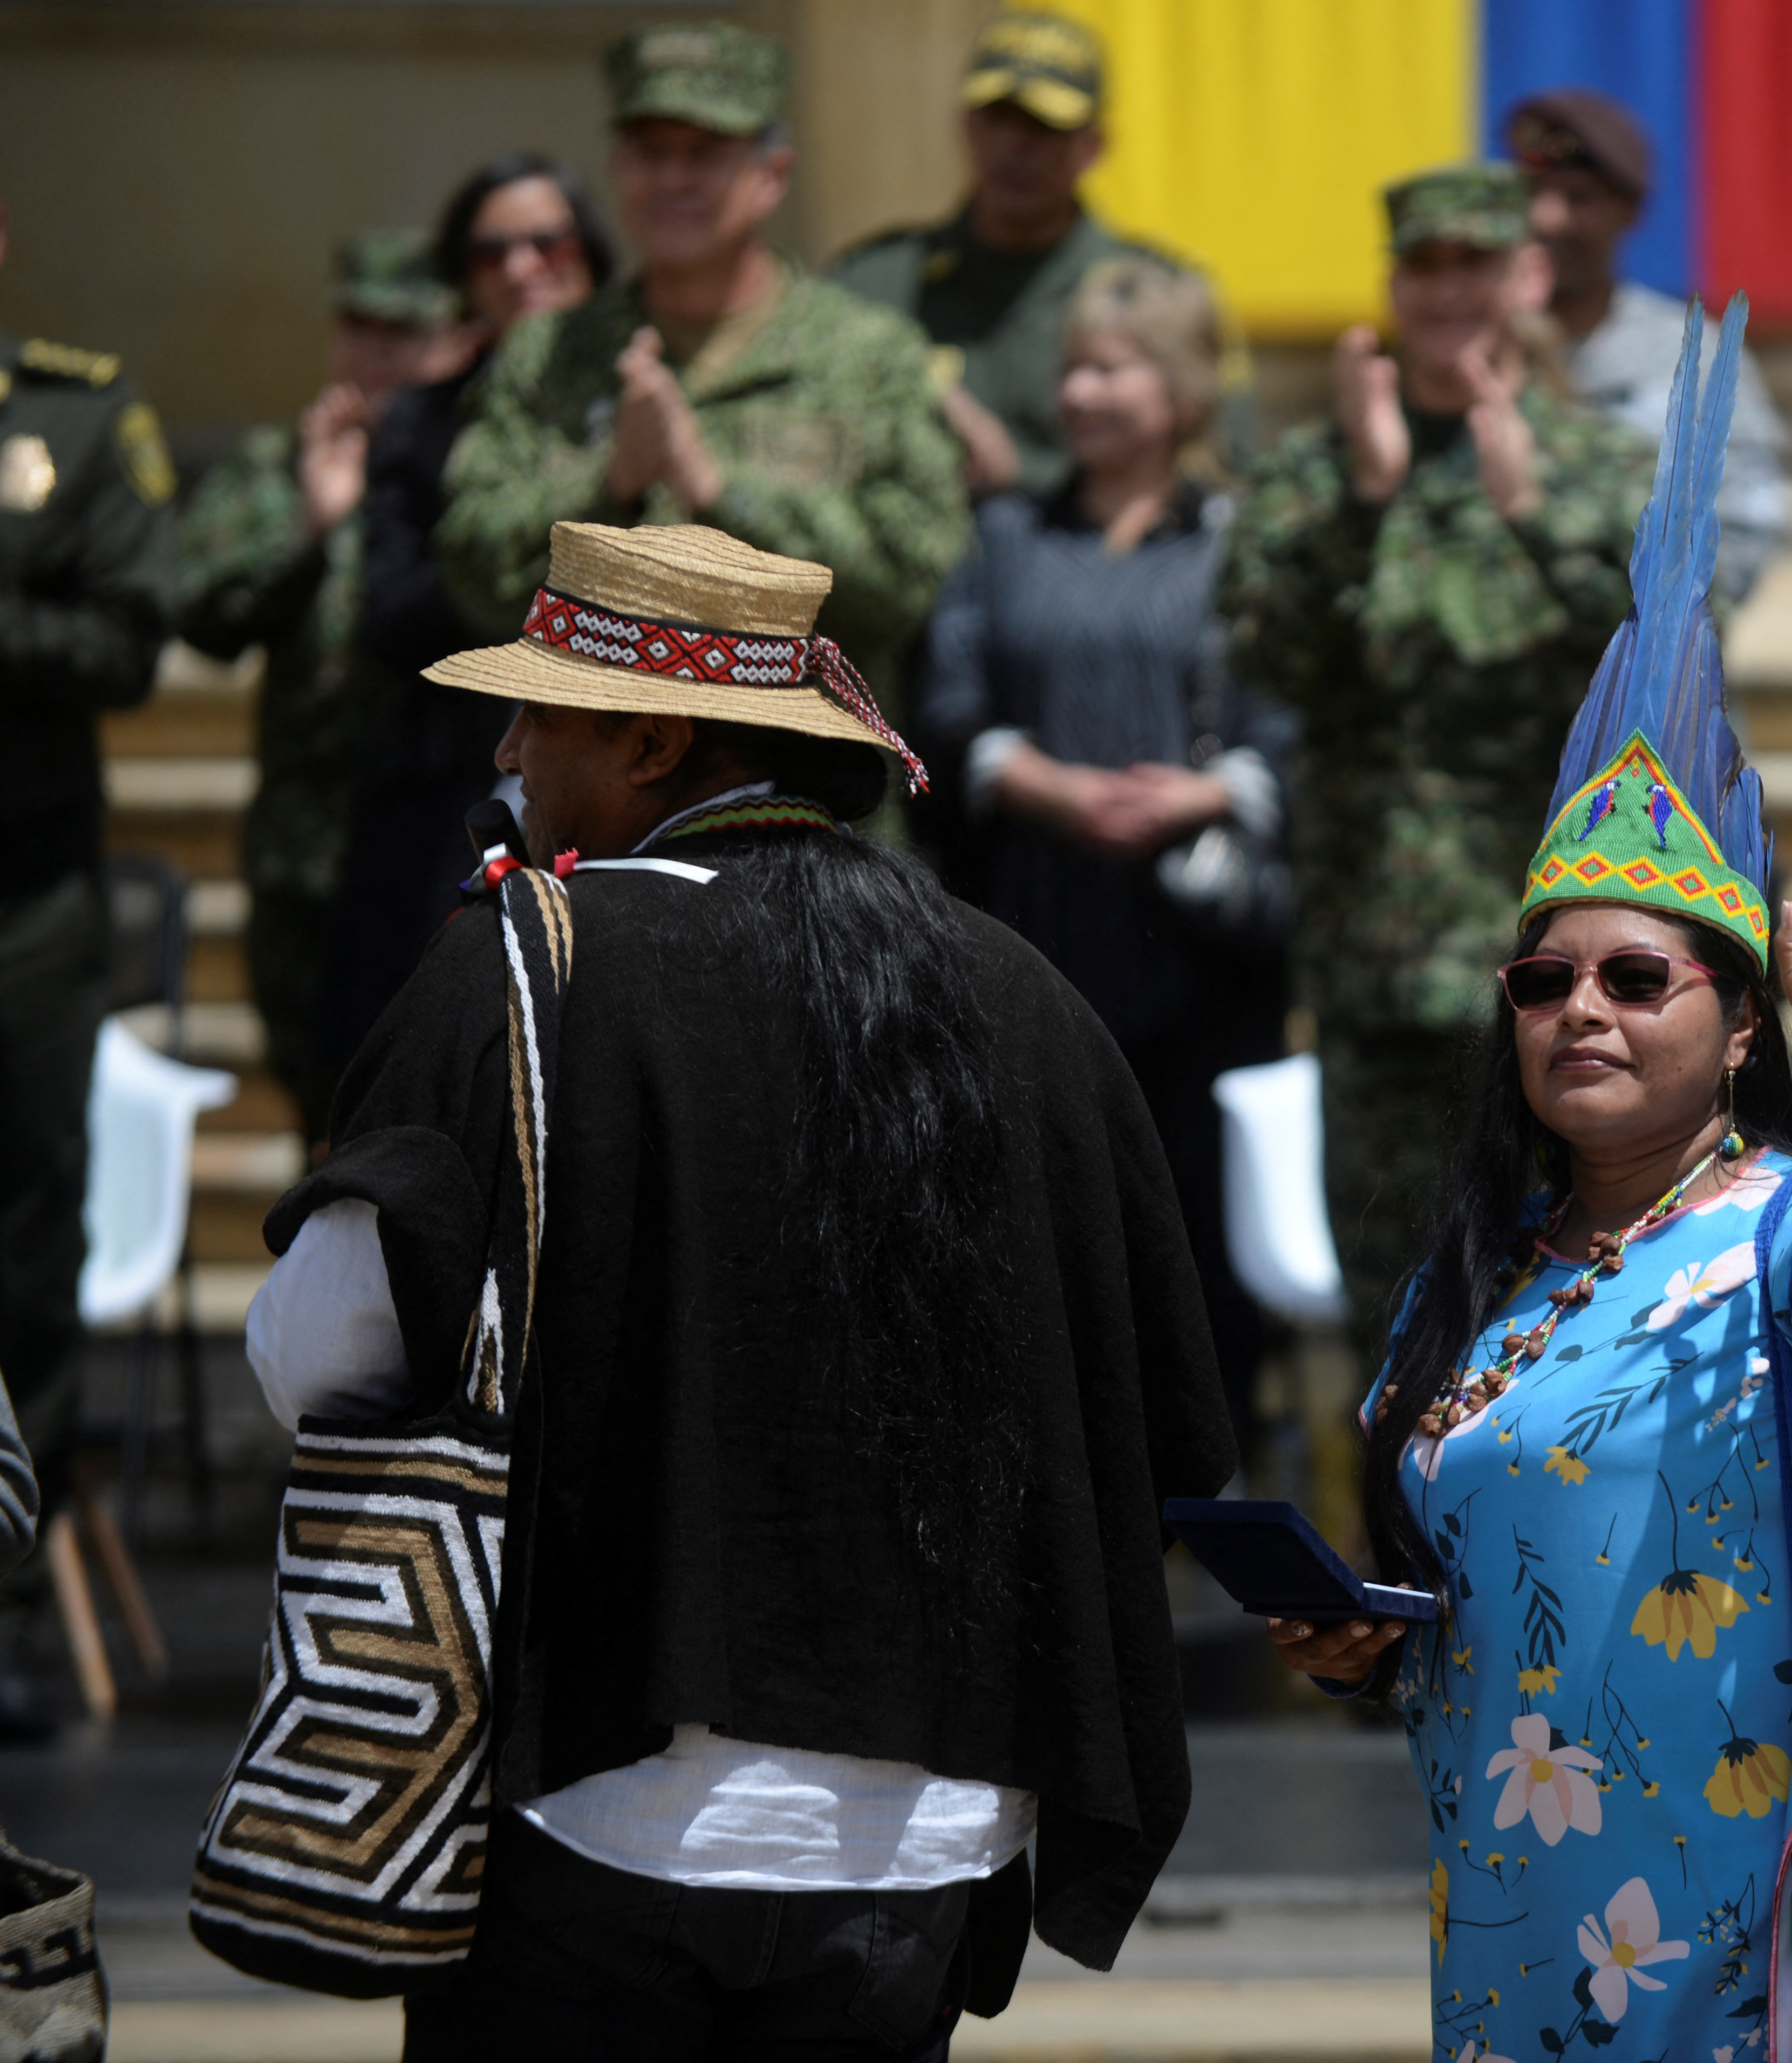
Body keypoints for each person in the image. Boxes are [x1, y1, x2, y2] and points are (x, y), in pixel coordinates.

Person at [243, 519, 1237, 2055]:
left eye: (536, 711)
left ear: (650, 741)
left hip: (598, 1817)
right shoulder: (1029, 994)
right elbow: (1166, 1419)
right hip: (932, 1845)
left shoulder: (527, 968)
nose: (504, 746)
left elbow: (326, 1352)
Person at [1266, 308, 1792, 2060]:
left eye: (1634, 977)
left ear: (1738, 1023)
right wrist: (1361, 1638)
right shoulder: (1487, 1269)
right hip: (1516, 1960)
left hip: (1768, 1967)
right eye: (1542, 980)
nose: (1578, 1007)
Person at [1222, 162, 1648, 1336]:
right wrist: (1362, 500)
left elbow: (1647, 668)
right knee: (1390, 1300)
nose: (1448, 290)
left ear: (1526, 276)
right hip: (1374, 956)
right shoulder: (1319, 467)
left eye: (1475, 263)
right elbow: (1263, 658)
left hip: (1556, 962)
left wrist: (1530, 513)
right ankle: (1388, 1523)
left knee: (1556, 1288)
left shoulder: (1594, 466)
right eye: (1425, 266)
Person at [920, 256, 1292, 1453]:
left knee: (1190, 1225)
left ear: (1181, 391)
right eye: (1072, 366)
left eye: (1113, 367)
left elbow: (1289, 727)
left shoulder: (1241, 540)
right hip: (1034, 927)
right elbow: (946, 709)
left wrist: (1202, 791)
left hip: (1198, 949)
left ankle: (1206, 1478)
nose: (1081, 391)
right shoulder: (1005, 535)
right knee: (1039, 1214)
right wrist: (1053, 788)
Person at [436, 23, 970, 719]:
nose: (673, 180)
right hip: (601, 802)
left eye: (705, 154)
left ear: (771, 176)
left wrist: (720, 490)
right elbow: (473, 576)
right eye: (650, 154)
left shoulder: (868, 357)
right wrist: (611, 484)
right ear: (619, 168)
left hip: (802, 804)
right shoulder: (547, 356)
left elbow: (912, 583)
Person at [171, 229, 475, 1132]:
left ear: (456, 338)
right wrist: (307, 525)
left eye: (402, 332)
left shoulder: (466, 466)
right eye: (357, 327)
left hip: (438, 846)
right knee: (325, 1106)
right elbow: (202, 617)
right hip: (309, 852)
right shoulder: (277, 464)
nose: (374, 354)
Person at [331, 154, 611, 1084]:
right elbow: (392, 613)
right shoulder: (425, 421)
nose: (520, 267)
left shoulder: (647, 383)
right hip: (459, 789)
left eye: (548, 241)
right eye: (491, 251)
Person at [0, 201, 174, 1638]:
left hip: (23, 894)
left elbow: (127, 638)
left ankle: (4, 1601)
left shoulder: (76, 413)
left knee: (23, 1235)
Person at [834, 10, 1241, 500]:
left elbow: (1224, 467)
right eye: (997, 120)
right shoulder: (874, 285)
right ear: (966, 128)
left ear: (1092, 147)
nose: (1015, 146)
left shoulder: (1158, 298)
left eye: (1044, 127)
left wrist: (1021, 483)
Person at [1505, 87, 1787, 604]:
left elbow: (1743, 539)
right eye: (1532, 194)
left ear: (1628, 211)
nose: (1548, 219)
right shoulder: (1476, 354)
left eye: (1578, 198)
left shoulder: (1697, 358)